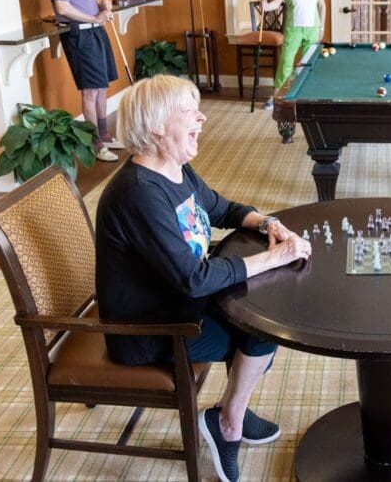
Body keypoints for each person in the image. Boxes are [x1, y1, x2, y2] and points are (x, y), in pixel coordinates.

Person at [95, 74, 312, 482]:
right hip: (148, 329)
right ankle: (228, 422)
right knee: (263, 327)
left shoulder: (175, 169)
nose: (203, 118)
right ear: (158, 125)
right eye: (189, 111)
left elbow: (221, 208)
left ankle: (233, 408)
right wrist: (273, 258)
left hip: (173, 303)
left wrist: (268, 223)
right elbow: (193, 278)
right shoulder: (138, 193)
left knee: (262, 305)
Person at [45, 0, 120, 161]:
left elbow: (83, 1)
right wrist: (94, 17)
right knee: (91, 89)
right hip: (80, 34)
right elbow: (63, 7)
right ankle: (94, 143)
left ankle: (104, 134)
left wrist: (101, 4)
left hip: (95, 29)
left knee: (102, 85)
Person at [260, 0, 325, 109]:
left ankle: (303, 97)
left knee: (307, 64)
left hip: (312, 29)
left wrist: (322, 27)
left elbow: (322, 5)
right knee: (286, 63)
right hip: (293, 29)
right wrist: (266, 7)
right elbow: (277, 2)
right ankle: (275, 98)